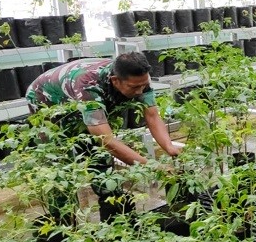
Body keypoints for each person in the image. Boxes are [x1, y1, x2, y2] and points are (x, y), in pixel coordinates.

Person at [26, 52, 181, 222]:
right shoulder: (88, 85)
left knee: (100, 161)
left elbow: (152, 115)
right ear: (115, 80)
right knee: (59, 165)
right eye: (134, 87)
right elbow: (106, 140)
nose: (140, 91)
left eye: (143, 86)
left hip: (79, 99)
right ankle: (64, 223)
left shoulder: (138, 80)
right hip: (47, 100)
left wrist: (169, 146)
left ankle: (114, 218)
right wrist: (152, 167)